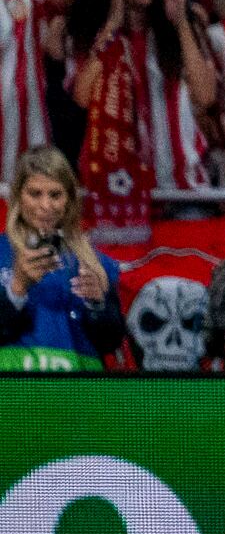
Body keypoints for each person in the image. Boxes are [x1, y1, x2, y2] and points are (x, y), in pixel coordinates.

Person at [0, 148, 120, 370]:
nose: (45, 206)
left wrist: (97, 305)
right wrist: (15, 290)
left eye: (55, 195)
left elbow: (111, 342)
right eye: (35, 194)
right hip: (12, 393)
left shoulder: (97, 264)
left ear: (69, 200)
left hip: (79, 396)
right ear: (17, 196)